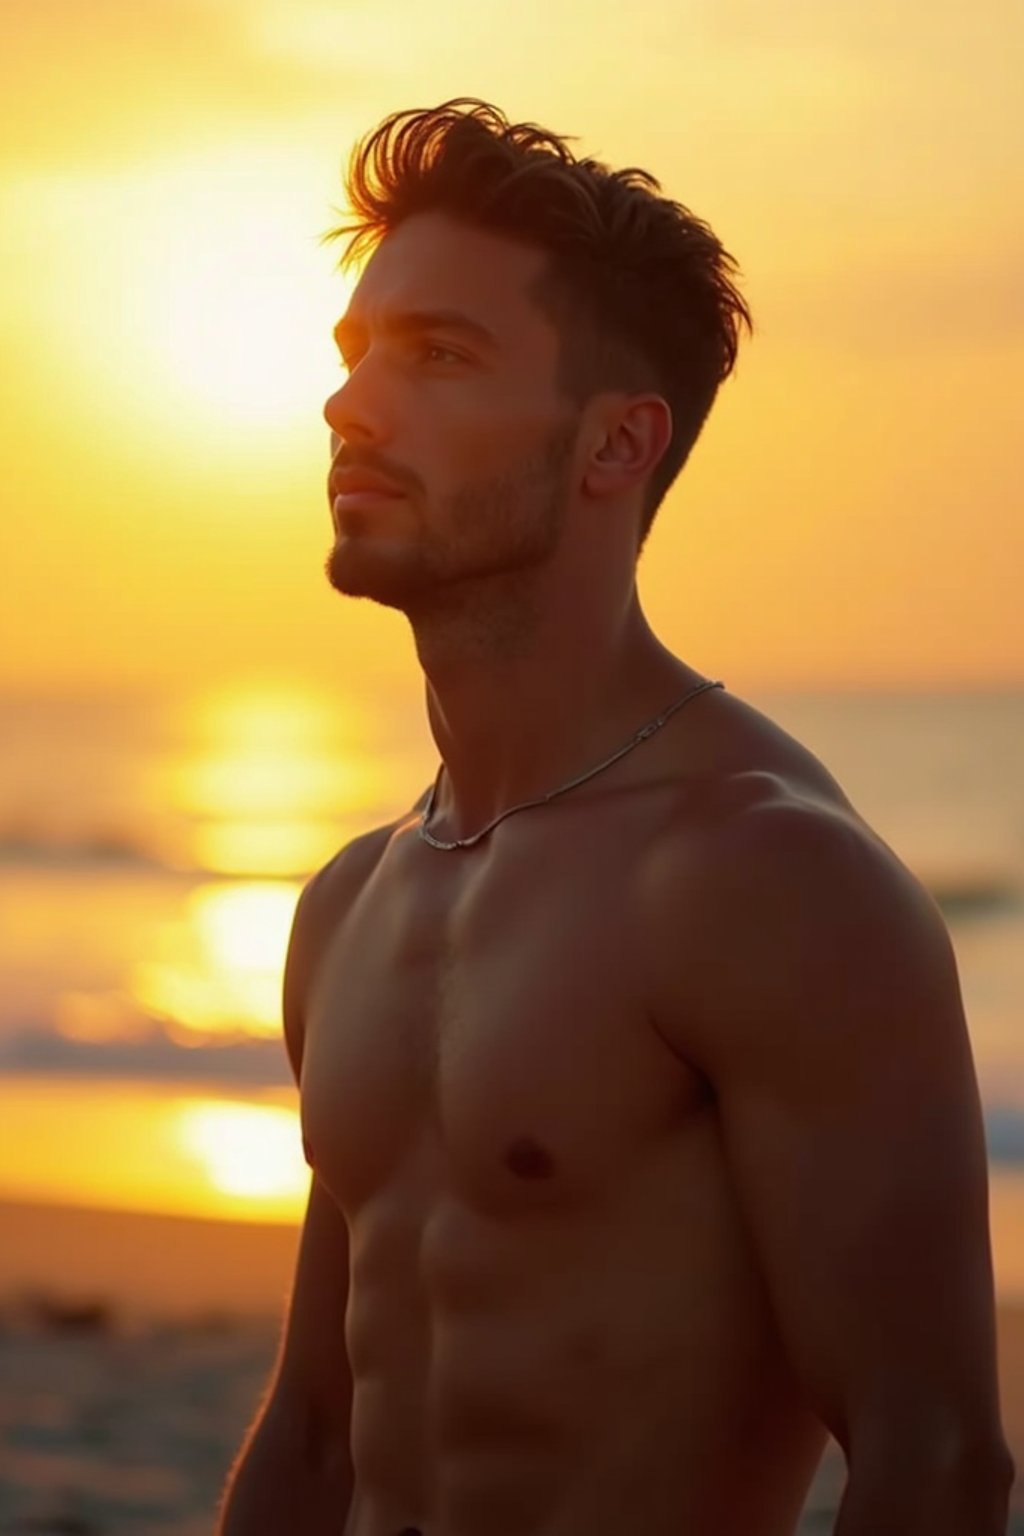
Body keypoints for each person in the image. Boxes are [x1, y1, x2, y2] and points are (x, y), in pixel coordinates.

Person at [218, 98, 1014, 1536]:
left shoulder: (764, 880)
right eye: (354, 357)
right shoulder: (351, 901)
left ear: (615, 446)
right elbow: (319, 1442)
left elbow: (935, 1460)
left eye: (439, 357)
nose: (352, 407)